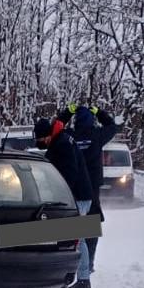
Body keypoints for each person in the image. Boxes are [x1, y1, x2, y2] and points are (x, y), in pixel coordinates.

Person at [57, 104, 121, 273]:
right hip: (92, 187)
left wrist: (67, 112)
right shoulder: (97, 135)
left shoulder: (69, 136)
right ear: (91, 120)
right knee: (90, 227)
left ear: (76, 120)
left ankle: (73, 263)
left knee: (71, 225)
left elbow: (55, 128)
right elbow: (113, 127)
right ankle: (88, 264)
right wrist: (99, 112)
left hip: (72, 186)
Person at [34, 117, 94, 288]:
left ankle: (84, 280)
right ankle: (76, 276)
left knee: (78, 237)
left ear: (47, 136)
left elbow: (69, 174)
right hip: (78, 195)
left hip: (78, 197)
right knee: (72, 236)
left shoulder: (62, 144)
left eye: (40, 140)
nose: (39, 143)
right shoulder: (61, 140)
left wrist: (61, 196)